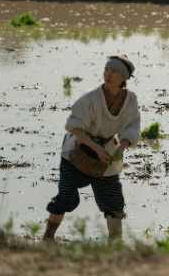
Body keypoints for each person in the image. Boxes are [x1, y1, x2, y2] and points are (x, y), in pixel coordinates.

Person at [43, 55, 141, 242]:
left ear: (124, 77)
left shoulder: (130, 99)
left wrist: (121, 147)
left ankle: (115, 245)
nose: (108, 74)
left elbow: (132, 127)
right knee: (64, 199)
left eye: (114, 71)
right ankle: (47, 238)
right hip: (76, 151)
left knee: (113, 203)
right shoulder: (91, 96)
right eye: (106, 70)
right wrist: (96, 147)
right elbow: (74, 127)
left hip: (107, 153)